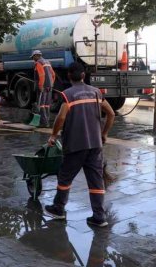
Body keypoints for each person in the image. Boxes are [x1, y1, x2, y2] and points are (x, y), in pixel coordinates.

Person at [44, 62, 115, 228]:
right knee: (96, 181)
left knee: (65, 177)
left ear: (69, 76)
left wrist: (54, 135)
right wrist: (104, 133)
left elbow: (61, 118)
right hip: (95, 145)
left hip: (75, 145)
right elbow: (111, 114)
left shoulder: (68, 95)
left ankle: (58, 209)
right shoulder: (96, 92)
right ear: (84, 75)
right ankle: (99, 217)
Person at [31, 50, 56, 128]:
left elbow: (42, 75)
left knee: (41, 105)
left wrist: (41, 86)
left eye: (33, 57)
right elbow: (53, 74)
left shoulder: (38, 63)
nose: (33, 59)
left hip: (43, 86)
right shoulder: (47, 62)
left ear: (36, 56)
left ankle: (44, 123)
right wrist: (51, 83)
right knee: (47, 104)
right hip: (49, 86)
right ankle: (47, 121)